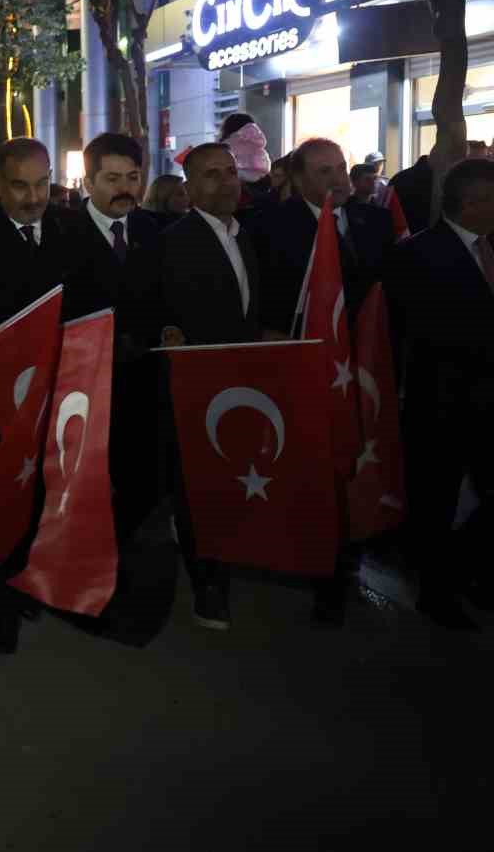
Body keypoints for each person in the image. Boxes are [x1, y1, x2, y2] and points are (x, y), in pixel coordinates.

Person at [0, 138, 72, 654]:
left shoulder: (70, 231)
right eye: (20, 186)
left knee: (39, 497)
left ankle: (25, 580)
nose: (33, 197)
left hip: (53, 397)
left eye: (42, 184)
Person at [155, 143, 263, 632]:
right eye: (212, 175)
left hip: (245, 383)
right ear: (190, 187)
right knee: (196, 485)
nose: (226, 182)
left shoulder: (248, 235)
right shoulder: (173, 241)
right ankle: (206, 586)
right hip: (196, 386)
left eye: (230, 171)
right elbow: (155, 307)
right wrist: (168, 330)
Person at [387, 157, 494, 630]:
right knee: (436, 503)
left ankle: (472, 575)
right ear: (471, 203)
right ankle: (436, 590)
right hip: (443, 402)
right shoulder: (420, 254)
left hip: (489, 403)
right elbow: (418, 332)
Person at [61, 133, 163, 546]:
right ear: (89, 183)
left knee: (143, 484)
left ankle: (117, 550)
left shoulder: (155, 231)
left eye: (133, 177)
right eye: (112, 178)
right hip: (84, 389)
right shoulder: (60, 233)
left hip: (143, 386)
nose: (125, 188)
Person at [255, 138, 392, 341]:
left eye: (341, 168)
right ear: (299, 180)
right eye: (324, 171)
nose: (338, 180)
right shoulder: (272, 227)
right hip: (308, 348)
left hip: (370, 351)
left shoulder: (376, 219)